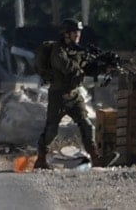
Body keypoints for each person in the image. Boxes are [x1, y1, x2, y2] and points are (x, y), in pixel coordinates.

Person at [35, 18, 100, 170]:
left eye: (78, 32)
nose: (77, 35)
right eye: (74, 32)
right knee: (52, 129)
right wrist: (84, 64)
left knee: (86, 125)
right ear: (66, 34)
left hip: (74, 95)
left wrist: (99, 66)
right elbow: (69, 68)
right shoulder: (58, 51)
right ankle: (41, 158)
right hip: (59, 95)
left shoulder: (77, 50)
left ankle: (95, 156)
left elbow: (85, 68)